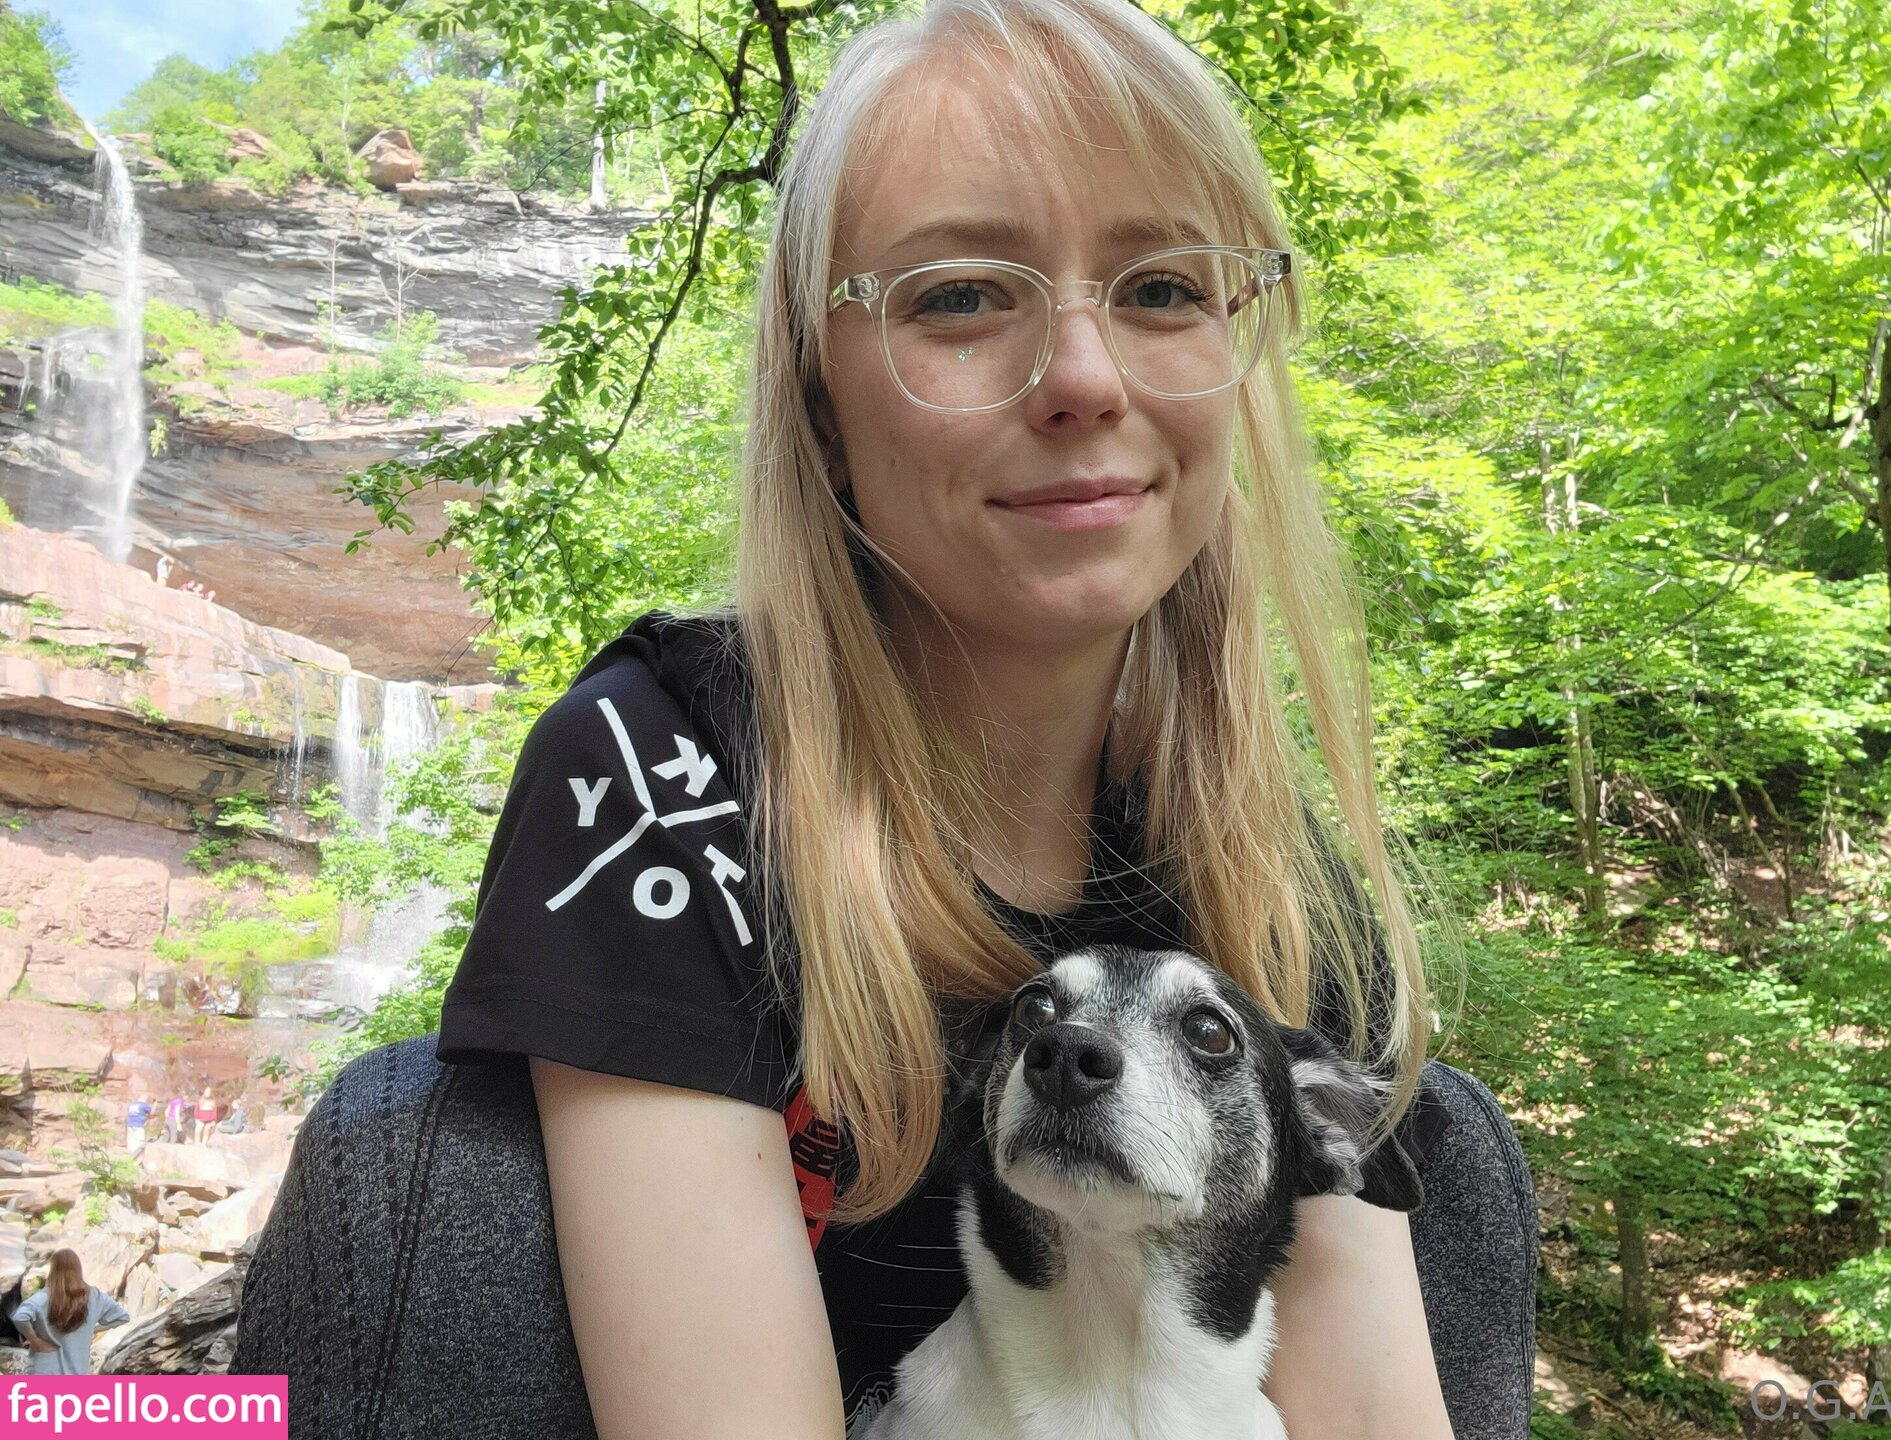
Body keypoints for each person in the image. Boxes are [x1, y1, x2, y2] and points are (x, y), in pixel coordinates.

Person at [428, 0, 1535, 1436]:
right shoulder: (663, 779)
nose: (1084, 378)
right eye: (959, 298)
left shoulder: (1269, 881)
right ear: (819, 397)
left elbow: (1372, 1411)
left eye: (1163, 288)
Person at [9, 1249, 131, 1375]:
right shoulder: (95, 1296)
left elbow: (20, 1317)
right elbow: (122, 1317)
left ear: (53, 1270)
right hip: (78, 1371)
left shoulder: (43, 1297)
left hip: (44, 1370)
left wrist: (35, 1341)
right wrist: (94, 1329)